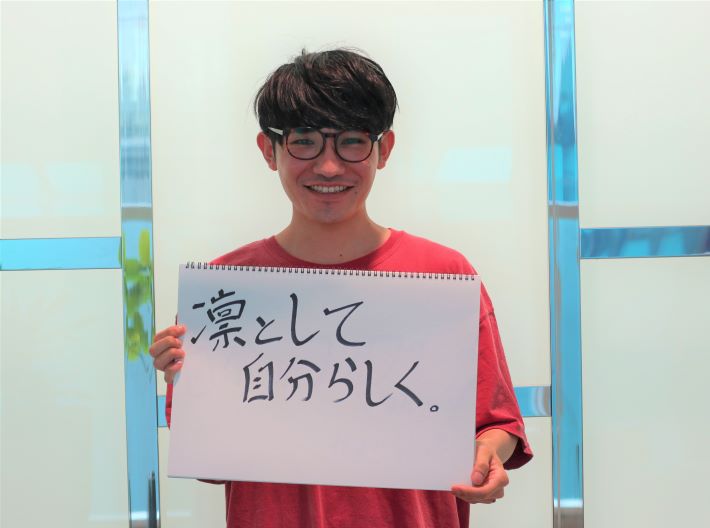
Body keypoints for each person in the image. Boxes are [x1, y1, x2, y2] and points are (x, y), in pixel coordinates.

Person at [150, 48, 532, 528]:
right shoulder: (229, 292)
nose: (329, 167)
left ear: (384, 150)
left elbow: (498, 423)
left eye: (352, 142)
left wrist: (488, 455)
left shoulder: (444, 275)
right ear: (268, 150)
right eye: (304, 142)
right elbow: (211, 464)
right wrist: (187, 385)